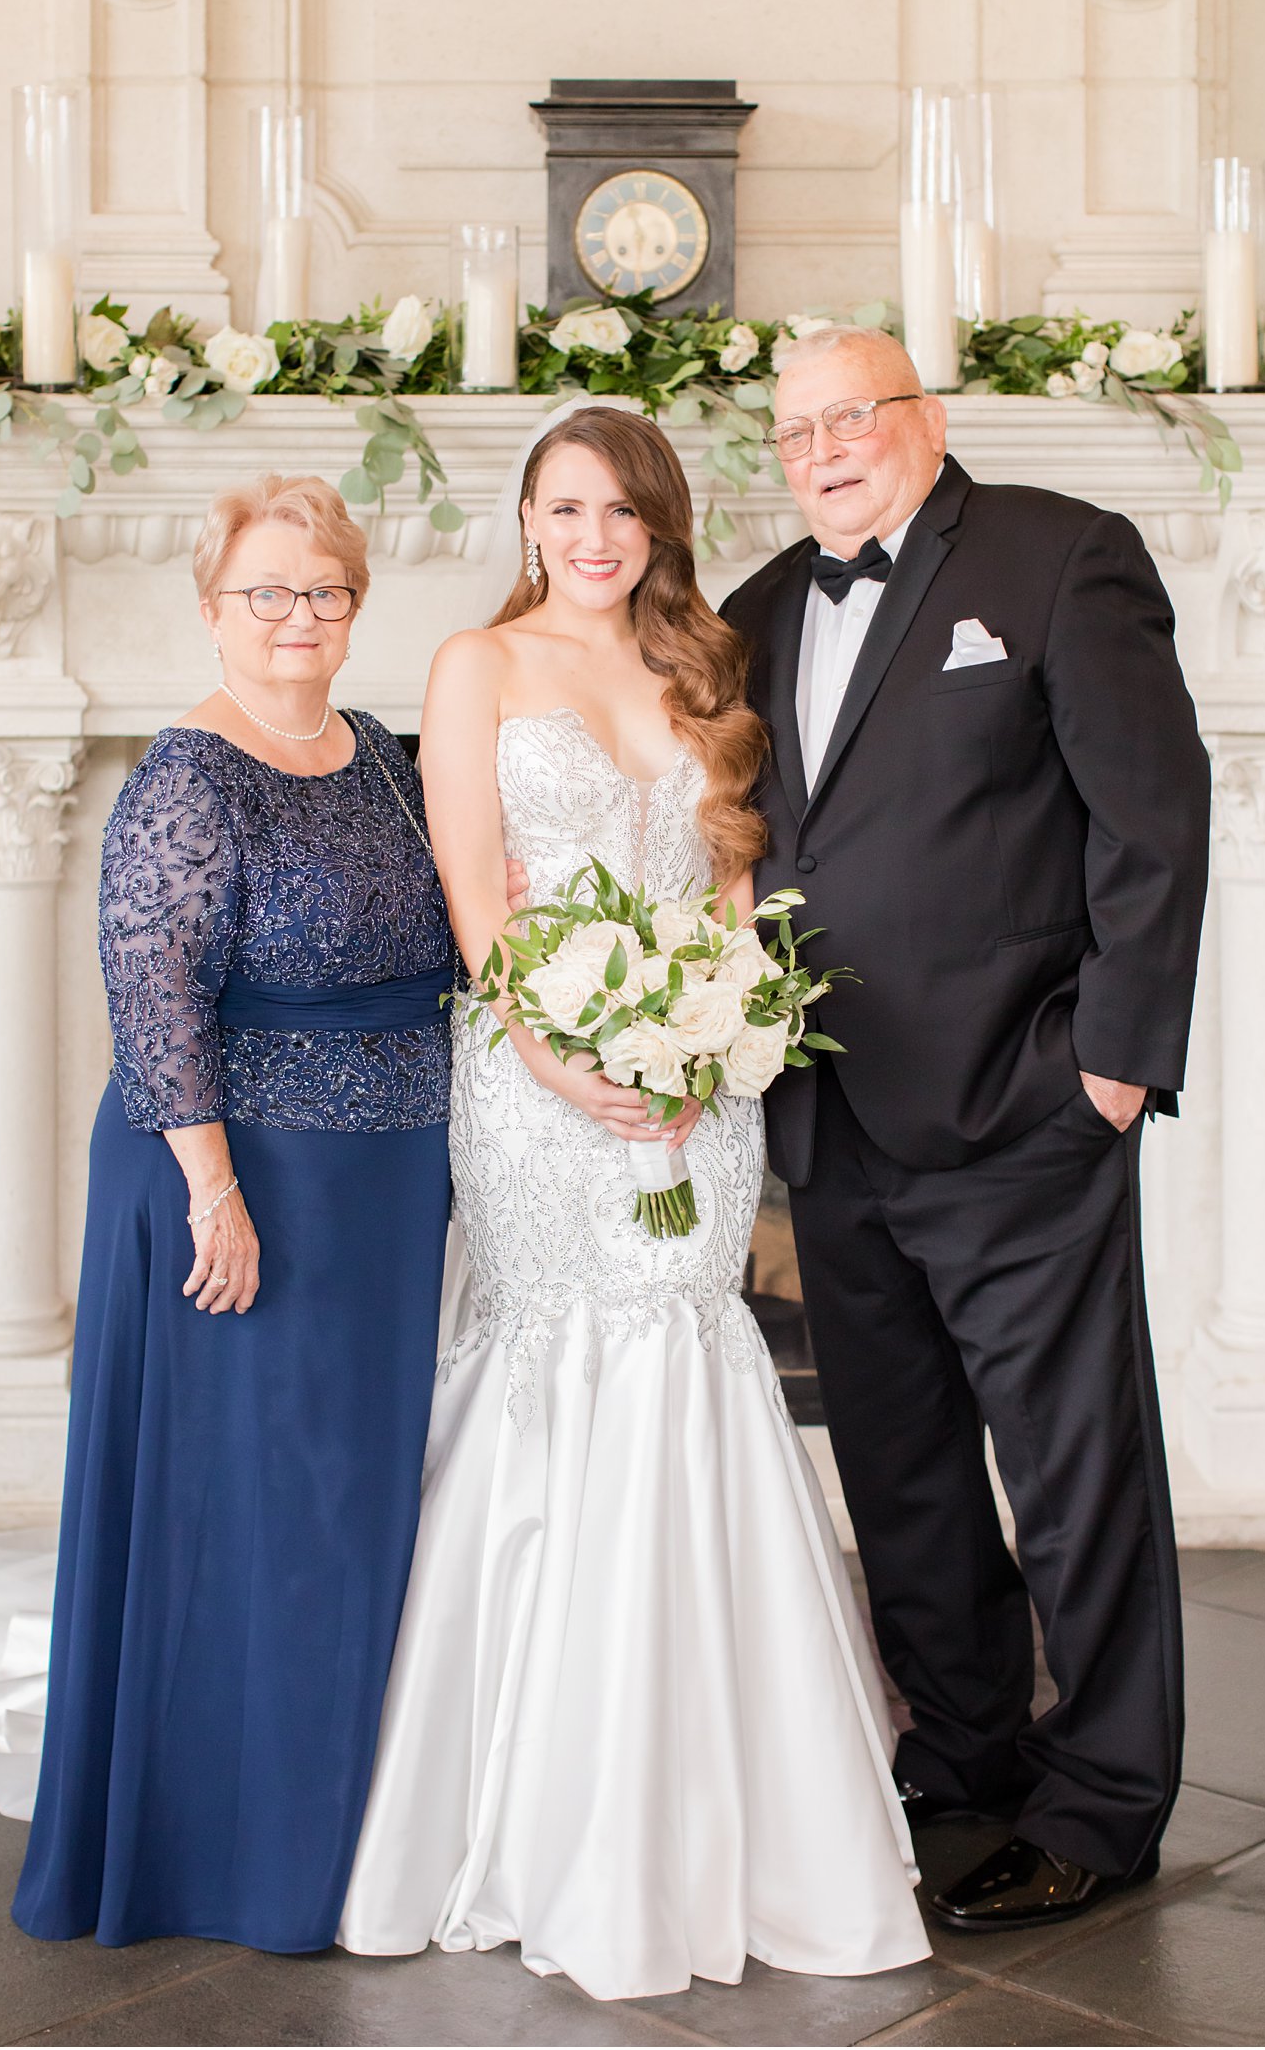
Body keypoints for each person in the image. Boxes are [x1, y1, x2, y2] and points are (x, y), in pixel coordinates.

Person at [336, 405, 930, 1999]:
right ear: (530, 520)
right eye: (567, 507)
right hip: (537, 1088)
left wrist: (718, 1045)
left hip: (696, 1093)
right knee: (569, 1357)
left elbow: (731, 884)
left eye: (625, 512)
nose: (595, 537)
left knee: (686, 1343)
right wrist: (556, 1054)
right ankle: (534, 1809)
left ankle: (728, 1810)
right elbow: (481, 897)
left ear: (662, 528)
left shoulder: (702, 667)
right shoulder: (480, 665)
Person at [720, 327, 1211, 1932]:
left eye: (851, 416)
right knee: (905, 1468)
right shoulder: (761, 607)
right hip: (832, 1117)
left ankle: (1107, 1796)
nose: (822, 450)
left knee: (1075, 1470)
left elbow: (1153, 813)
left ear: (926, 418)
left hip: (1023, 1106)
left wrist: (1114, 1069)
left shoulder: (1062, 556)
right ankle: (965, 1750)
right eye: (794, 433)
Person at [9, 472, 454, 1949]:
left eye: (323, 589)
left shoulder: (383, 749)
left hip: (380, 1191)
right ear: (212, 607)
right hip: (238, 1189)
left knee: (349, 1517)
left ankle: (342, 1838)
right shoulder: (188, 773)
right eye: (267, 590)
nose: (298, 617)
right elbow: (154, 998)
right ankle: (232, 1861)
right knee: (255, 1524)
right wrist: (215, 1189)